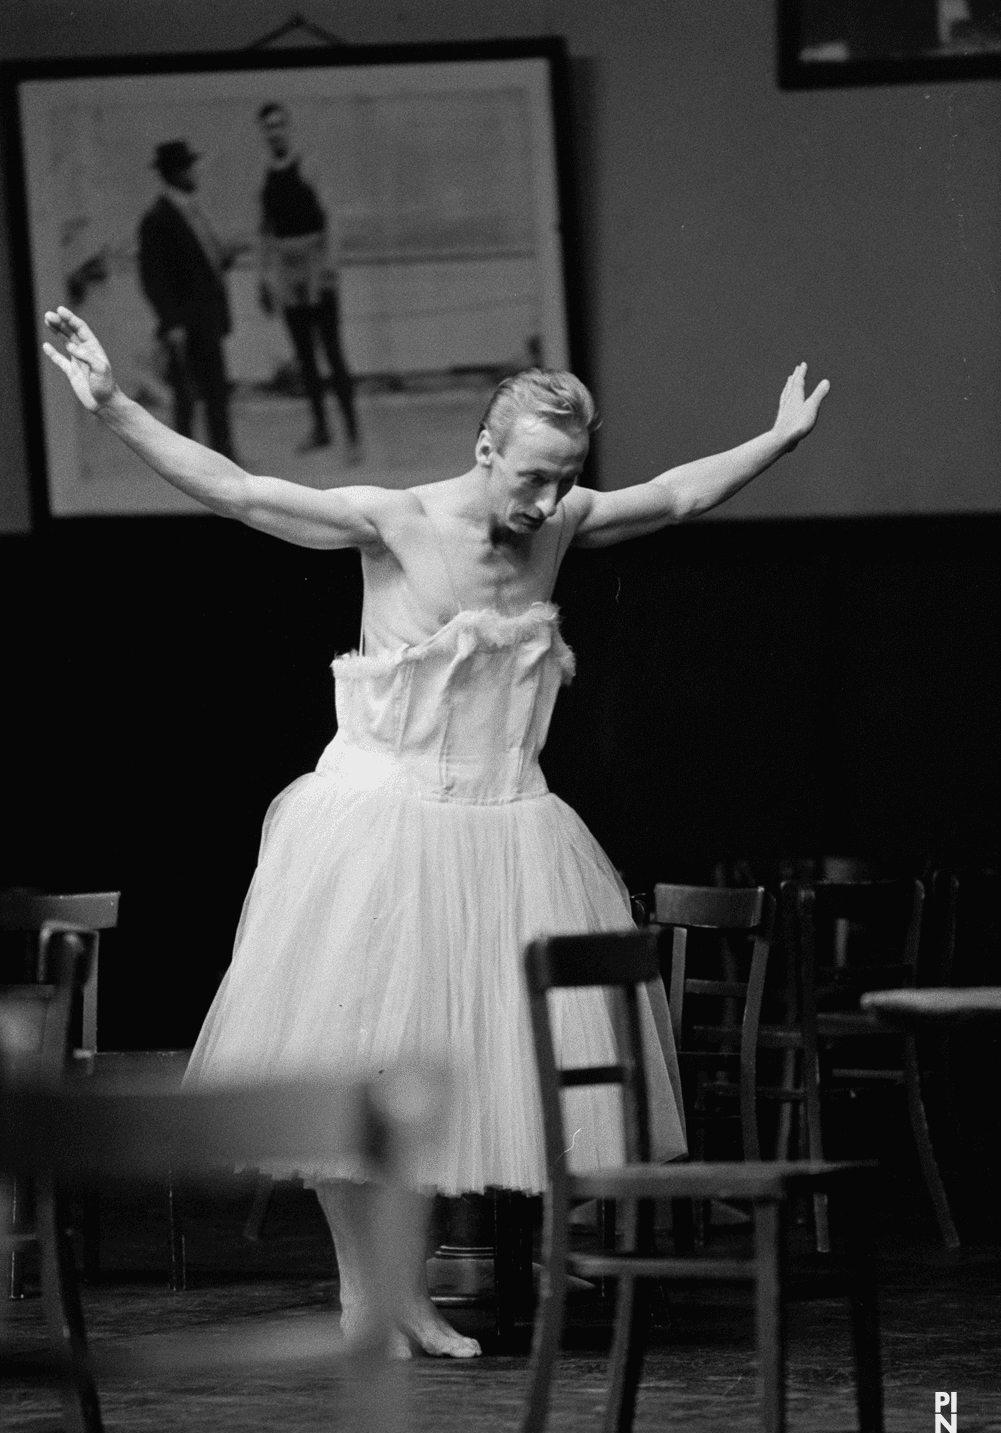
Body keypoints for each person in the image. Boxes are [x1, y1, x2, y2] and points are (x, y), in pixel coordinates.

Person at [42, 305, 830, 1359]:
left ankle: (409, 1299)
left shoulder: (561, 522)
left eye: (565, 479)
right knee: (359, 1065)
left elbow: (679, 493)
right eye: (532, 476)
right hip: (381, 822)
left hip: (506, 829)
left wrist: (775, 440)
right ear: (485, 450)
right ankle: (362, 1300)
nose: (546, 501)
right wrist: (113, 408)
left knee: (453, 1076)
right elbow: (237, 491)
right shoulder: (397, 521)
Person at [257, 102, 360, 457]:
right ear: (264, 133)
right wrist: (263, 278)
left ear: (289, 127)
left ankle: (352, 434)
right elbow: (265, 231)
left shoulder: (309, 167)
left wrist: (330, 266)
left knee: (333, 352)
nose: (275, 133)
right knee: (305, 357)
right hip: (287, 274)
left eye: (279, 125)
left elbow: (331, 217)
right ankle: (321, 429)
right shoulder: (266, 177)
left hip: (317, 268)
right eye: (268, 127)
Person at [138, 140, 236, 460]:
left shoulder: (193, 210)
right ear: (173, 173)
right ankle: (185, 462)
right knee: (186, 396)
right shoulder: (158, 219)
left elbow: (203, 259)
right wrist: (171, 323)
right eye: (187, 167)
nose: (194, 173)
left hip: (206, 317)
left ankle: (224, 456)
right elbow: (153, 278)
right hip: (184, 323)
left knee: (216, 391)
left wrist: (222, 260)